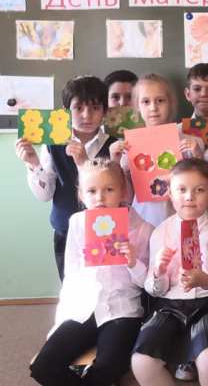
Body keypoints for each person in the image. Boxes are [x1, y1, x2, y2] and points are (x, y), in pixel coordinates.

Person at [30, 159, 153, 386]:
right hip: (84, 309)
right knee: (42, 366)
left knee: (109, 367)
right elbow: (72, 277)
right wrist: (60, 321)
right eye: (92, 191)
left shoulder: (142, 229)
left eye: (109, 189)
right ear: (81, 195)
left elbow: (148, 284)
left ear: (123, 191)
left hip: (121, 311)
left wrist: (133, 261)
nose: (100, 198)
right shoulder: (78, 222)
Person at [131, 159, 208, 386]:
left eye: (199, 190)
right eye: (182, 189)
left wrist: (206, 281)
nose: (189, 197)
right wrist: (158, 271)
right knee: (142, 362)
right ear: (170, 193)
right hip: (169, 306)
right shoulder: (161, 232)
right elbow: (154, 290)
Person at [16, 75, 116, 279]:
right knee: (71, 286)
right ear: (65, 111)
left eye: (95, 108)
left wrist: (84, 163)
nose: (86, 115)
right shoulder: (53, 144)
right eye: (78, 108)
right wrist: (33, 163)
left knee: (105, 285)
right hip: (65, 229)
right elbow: (45, 195)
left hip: (105, 229)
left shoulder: (113, 146)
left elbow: (119, 191)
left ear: (105, 111)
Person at [110, 73, 204, 227]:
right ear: (137, 106)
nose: (153, 108)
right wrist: (115, 159)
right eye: (146, 102)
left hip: (181, 219)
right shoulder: (129, 145)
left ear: (170, 103)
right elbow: (124, 194)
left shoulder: (189, 142)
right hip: (142, 220)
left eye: (160, 100)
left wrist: (197, 155)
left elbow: (204, 185)